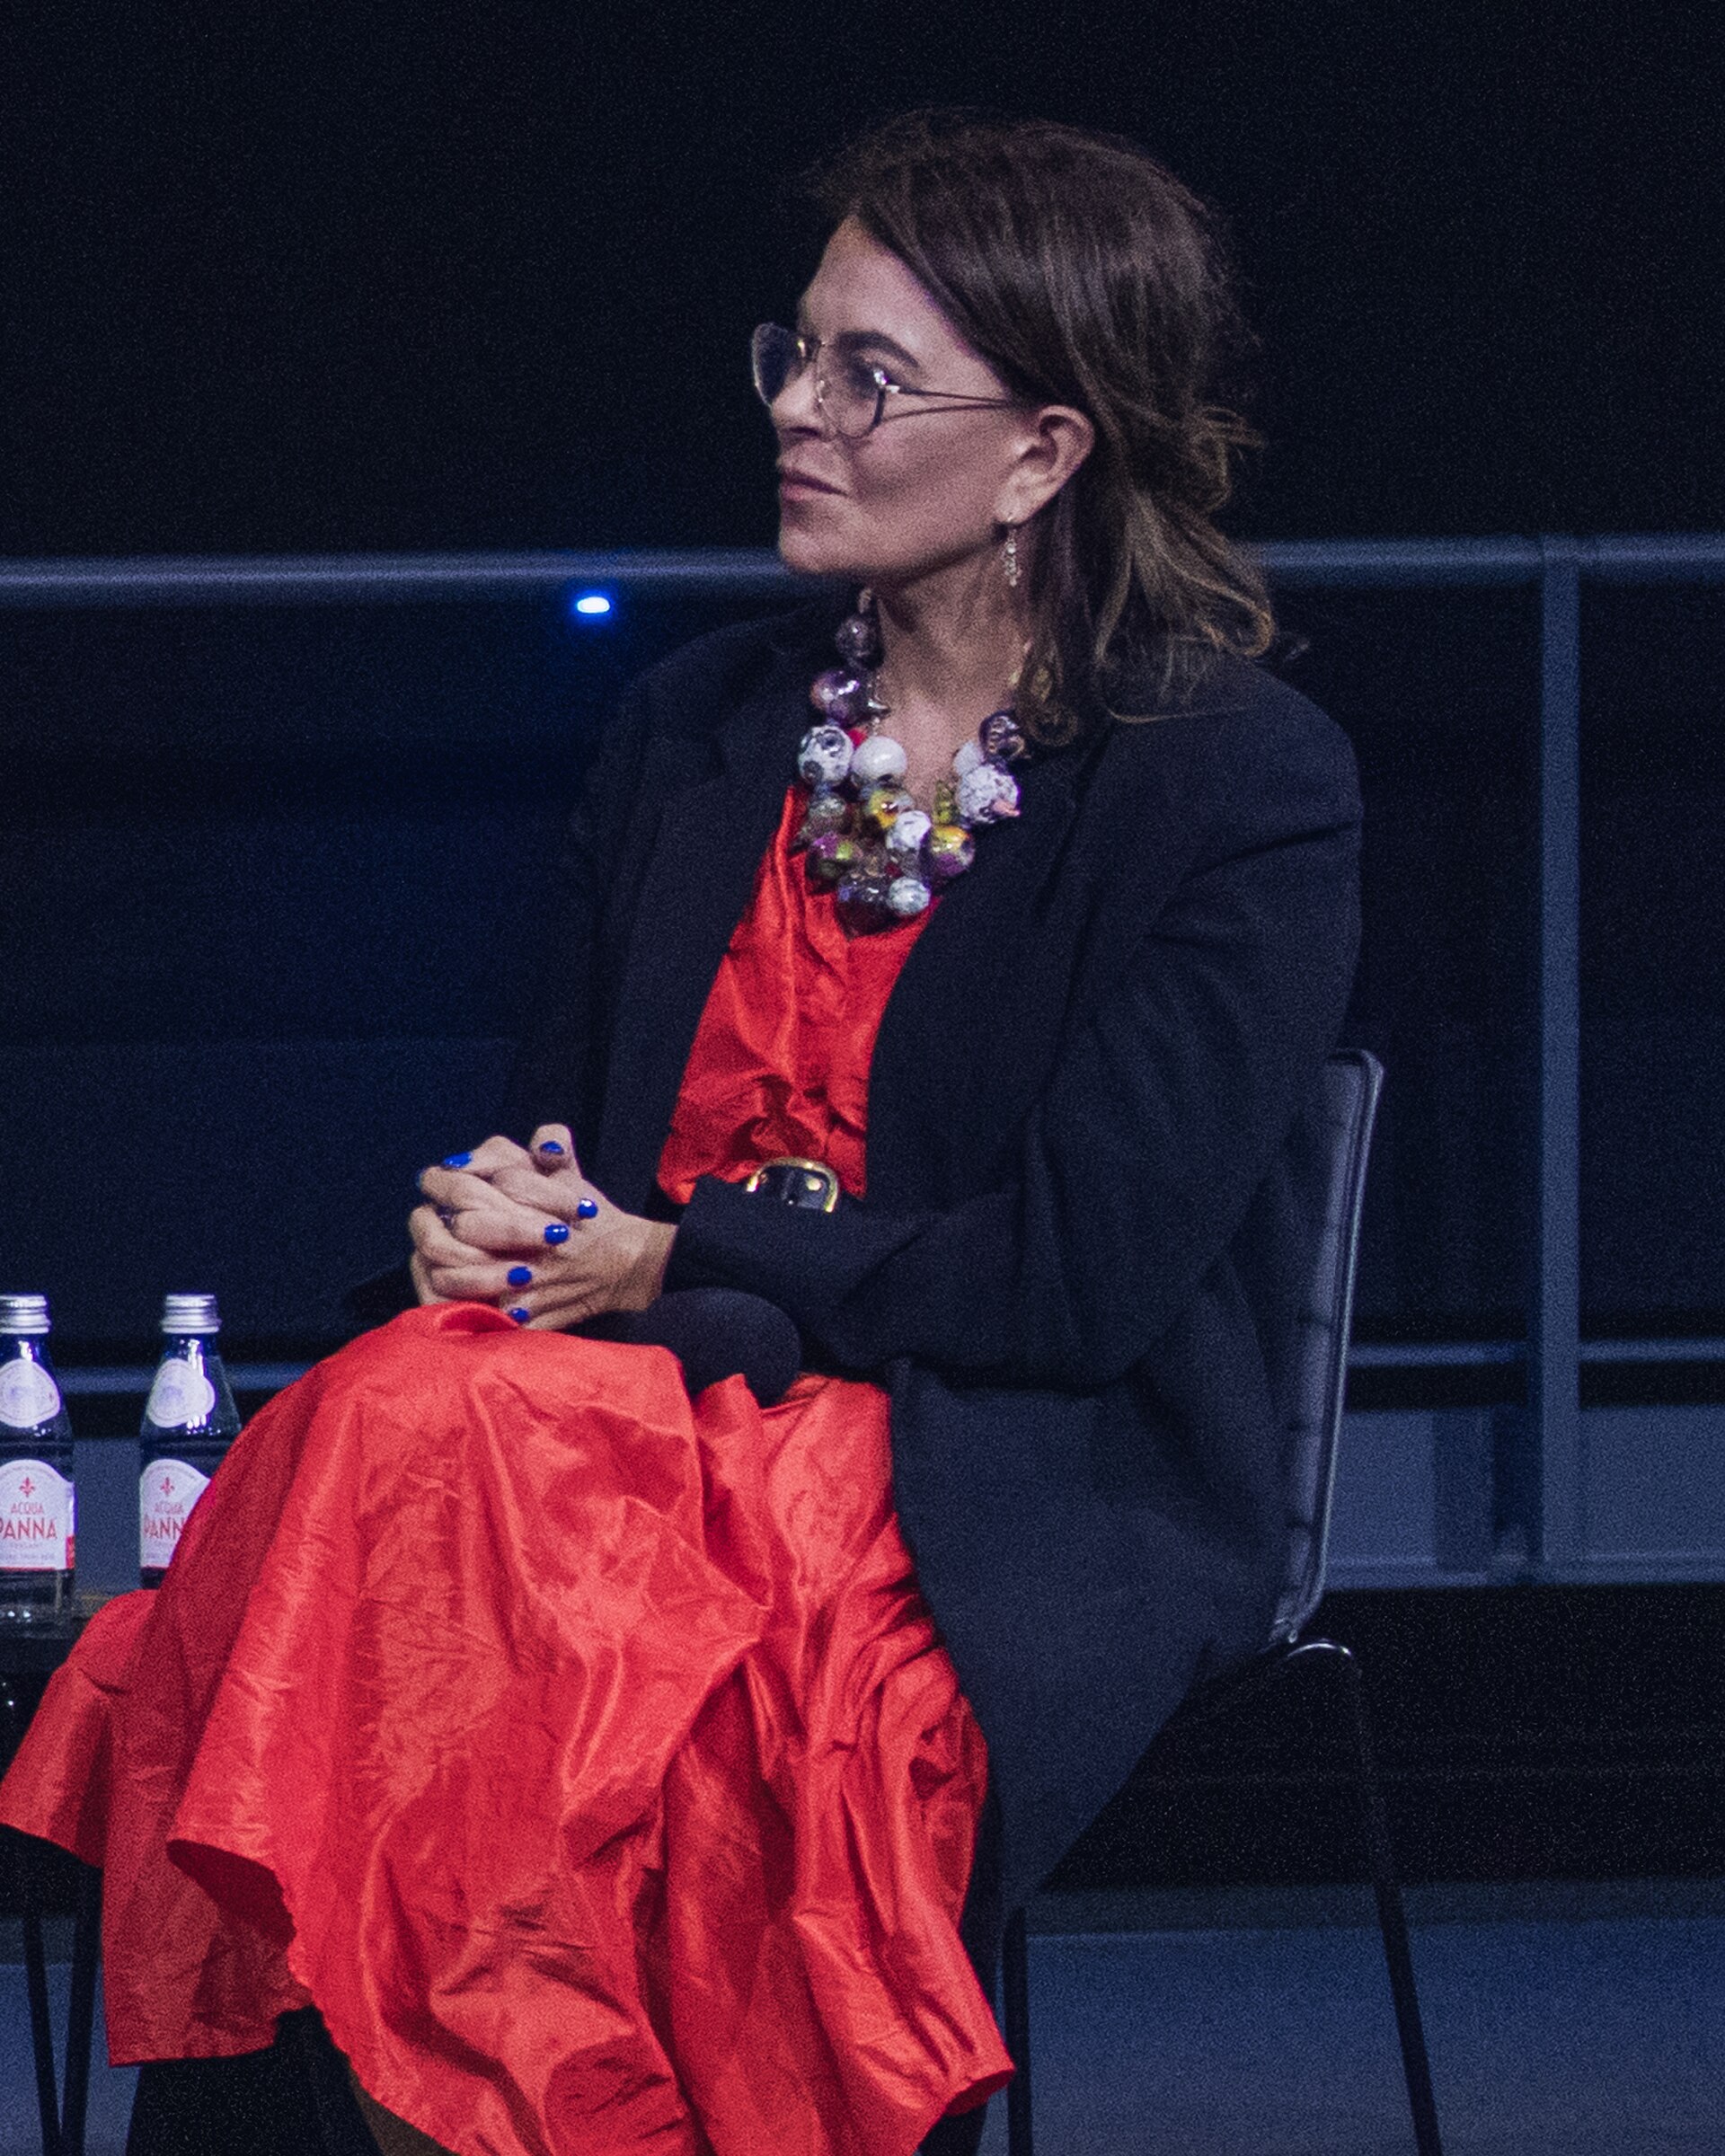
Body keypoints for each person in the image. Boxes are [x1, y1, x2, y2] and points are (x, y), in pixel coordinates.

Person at [0, 111, 1361, 2156]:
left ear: (1046, 452)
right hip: (628, 1389)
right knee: (385, 1449)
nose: (799, 415)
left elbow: (1075, 1278)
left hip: (984, 1445)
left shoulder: (1235, 779)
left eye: (868, 378)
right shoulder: (694, 729)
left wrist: (678, 1252)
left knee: (416, 1500)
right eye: (792, 357)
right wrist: (506, 1216)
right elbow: (576, 1140)